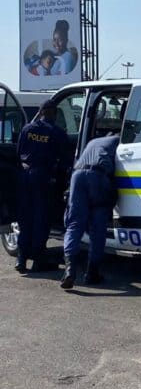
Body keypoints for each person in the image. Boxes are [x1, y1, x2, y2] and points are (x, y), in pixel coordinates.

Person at [60, 132, 120, 289]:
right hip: (99, 177)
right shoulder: (118, 141)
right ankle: (92, 273)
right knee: (98, 229)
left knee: (74, 225)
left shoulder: (93, 142)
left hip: (78, 176)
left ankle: (69, 270)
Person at [15, 100, 69, 273]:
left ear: (40, 112)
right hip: (43, 178)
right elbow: (65, 159)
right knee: (41, 220)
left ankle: (21, 259)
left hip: (24, 176)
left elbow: (18, 152)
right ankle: (38, 261)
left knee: (25, 219)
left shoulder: (27, 129)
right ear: (54, 113)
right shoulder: (57, 132)